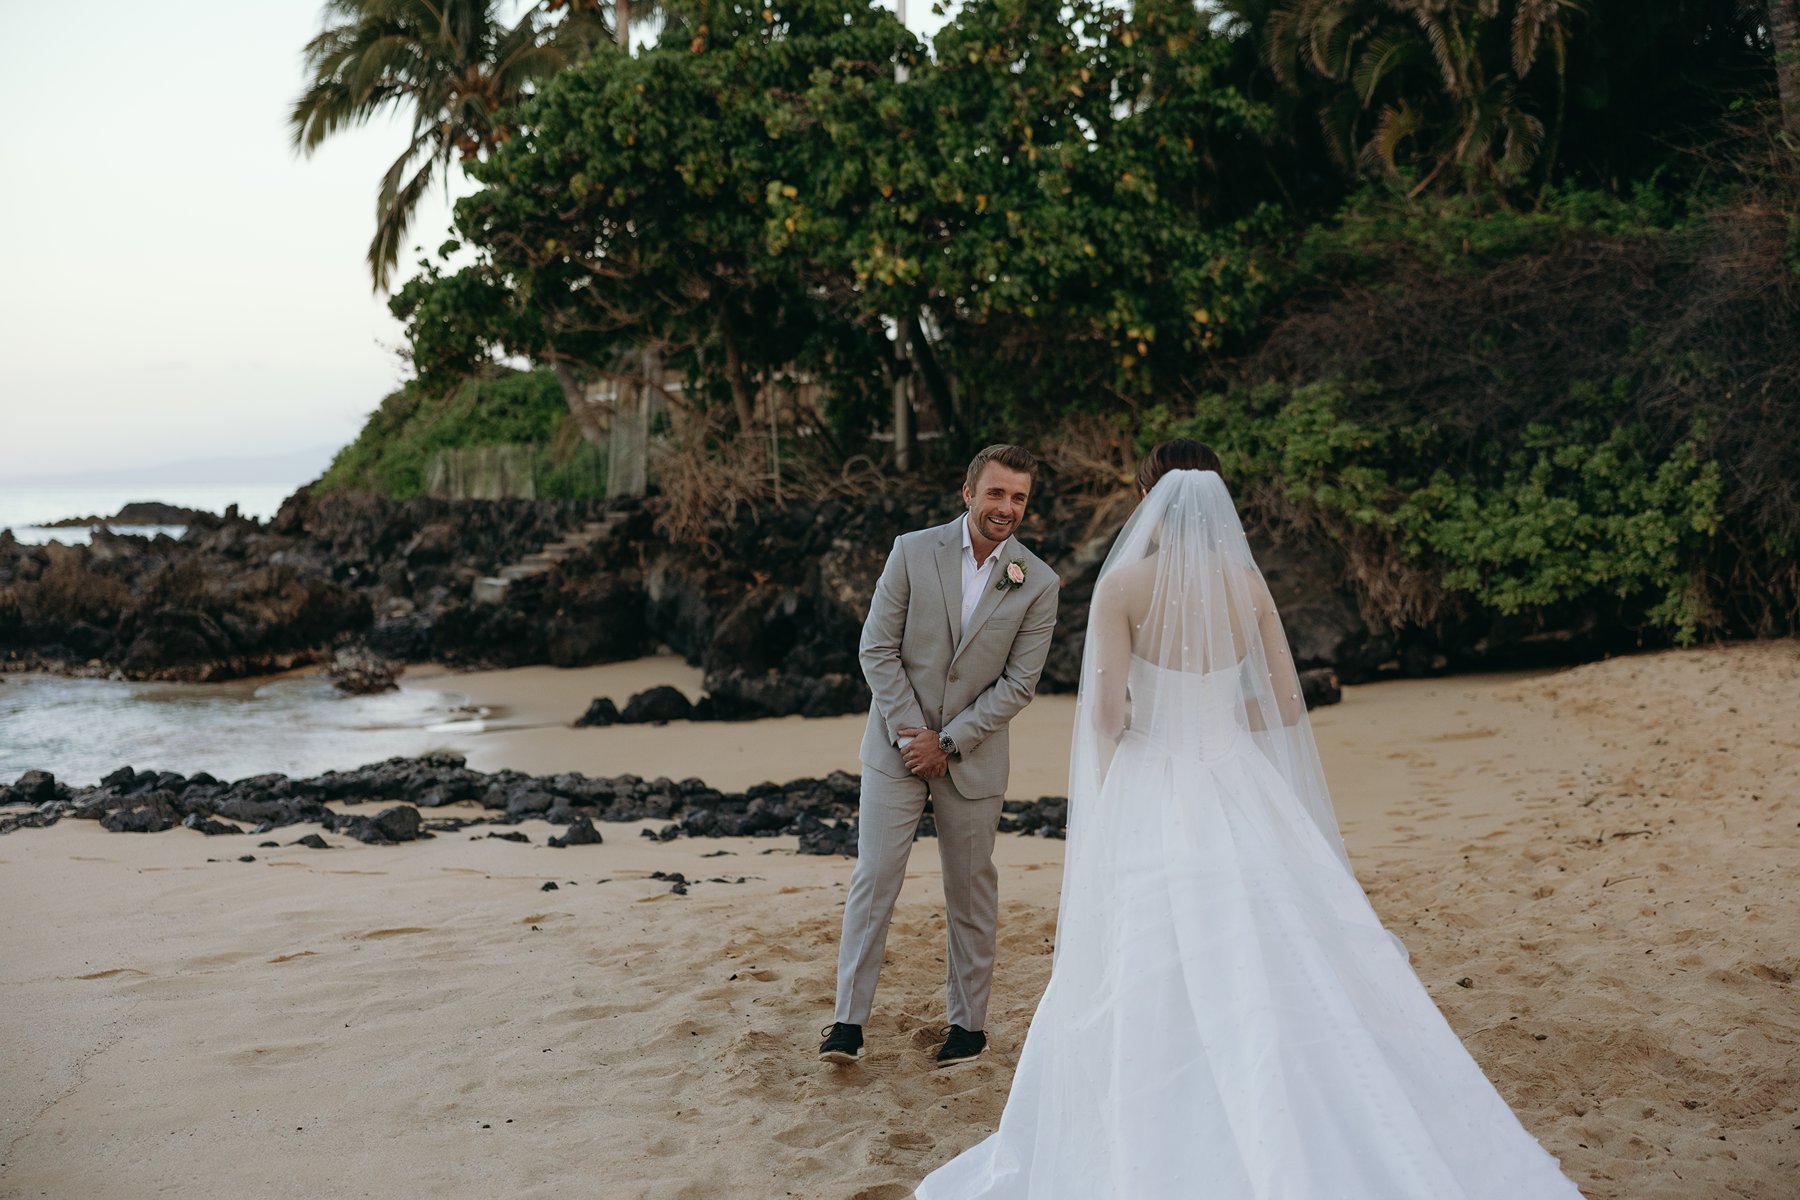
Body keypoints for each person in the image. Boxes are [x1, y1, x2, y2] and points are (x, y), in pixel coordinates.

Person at [915, 439, 1584, 1198]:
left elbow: (1104, 714)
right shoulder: (1248, 587)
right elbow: (1288, 704)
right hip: (1239, 784)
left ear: (1147, 501)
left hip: (1157, 785)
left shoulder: (1124, 586)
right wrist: (1217, 717)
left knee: (1142, 952)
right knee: (1277, 949)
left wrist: (1154, 720)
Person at [822, 444, 1061, 1069]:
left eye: (1018, 498)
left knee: (973, 892)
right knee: (874, 879)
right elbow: (877, 649)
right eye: (996, 493)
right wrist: (912, 735)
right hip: (894, 749)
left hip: (972, 758)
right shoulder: (911, 550)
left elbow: (1019, 684)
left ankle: (969, 1028)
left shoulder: (1038, 581)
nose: (1006, 507)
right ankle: (847, 1022)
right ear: (968, 492)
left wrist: (948, 742)